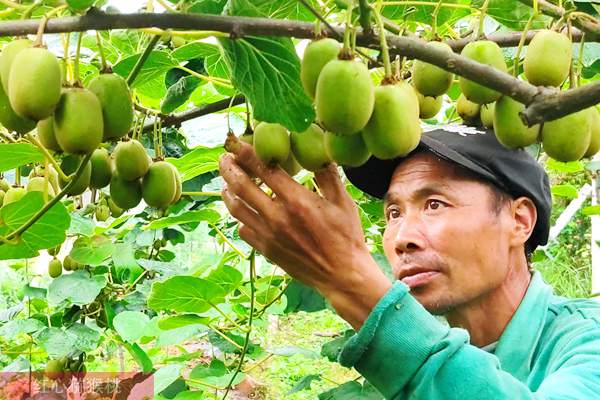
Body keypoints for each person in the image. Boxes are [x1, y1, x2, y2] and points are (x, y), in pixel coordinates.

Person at [218, 124, 600, 399]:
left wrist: (350, 283)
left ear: (518, 222)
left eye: (435, 205)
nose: (402, 238)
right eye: (394, 213)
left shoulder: (589, 340)